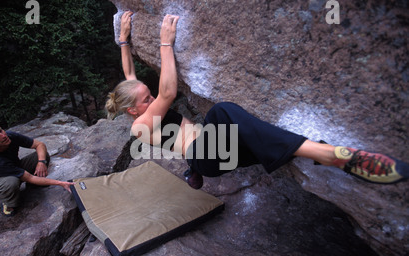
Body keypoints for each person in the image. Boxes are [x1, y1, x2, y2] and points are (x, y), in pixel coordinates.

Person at [106, 11, 409, 189]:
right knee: (223, 111)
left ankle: (315, 153)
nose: (150, 98)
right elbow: (168, 93)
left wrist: (123, 38)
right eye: (145, 99)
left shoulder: (135, 98)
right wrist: (165, 43)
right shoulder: (140, 127)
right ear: (133, 110)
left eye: (148, 93)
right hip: (205, 155)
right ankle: (331, 155)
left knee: (262, 137)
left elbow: (129, 72)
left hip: (221, 151)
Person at [0, 118, 74, 216]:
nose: (3, 135)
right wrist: (61, 183)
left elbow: (39, 145)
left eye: (0, 130)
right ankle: (8, 205)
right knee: (11, 181)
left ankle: (33, 186)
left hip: (13, 167)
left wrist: (41, 162)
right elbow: (29, 177)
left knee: (41, 155)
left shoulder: (9, 136)